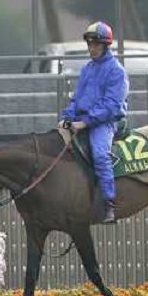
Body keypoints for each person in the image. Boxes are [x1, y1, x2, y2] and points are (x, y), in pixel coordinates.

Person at [58, 22, 129, 224]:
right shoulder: (87, 69)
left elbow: (112, 106)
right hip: (83, 120)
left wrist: (85, 123)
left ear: (106, 46)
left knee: (99, 155)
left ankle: (109, 204)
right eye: (90, 44)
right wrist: (67, 117)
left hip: (105, 122)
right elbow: (77, 99)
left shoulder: (117, 71)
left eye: (96, 44)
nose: (92, 48)